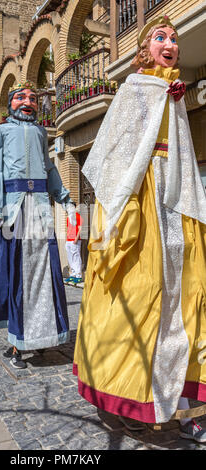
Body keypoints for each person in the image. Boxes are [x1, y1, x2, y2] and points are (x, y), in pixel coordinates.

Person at [73, 15, 206, 442]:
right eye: (161, 37)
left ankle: (178, 401)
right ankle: (133, 395)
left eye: (174, 39)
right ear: (144, 48)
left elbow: (182, 151)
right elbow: (115, 148)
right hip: (142, 195)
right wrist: (124, 202)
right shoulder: (134, 89)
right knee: (141, 290)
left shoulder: (176, 92)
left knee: (180, 296)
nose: (171, 44)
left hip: (174, 197)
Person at [0, 81, 76, 369]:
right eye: (21, 97)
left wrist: (66, 200)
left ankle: (42, 335)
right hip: (14, 210)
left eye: (33, 98)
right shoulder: (1, 132)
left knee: (45, 274)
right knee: (17, 276)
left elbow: (49, 168)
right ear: (10, 102)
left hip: (39, 210)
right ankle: (16, 344)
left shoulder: (38, 132)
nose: (28, 102)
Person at [65, 205, 83, 284]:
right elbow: (68, 228)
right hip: (68, 240)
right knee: (70, 258)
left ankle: (78, 275)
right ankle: (73, 274)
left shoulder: (78, 216)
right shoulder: (68, 218)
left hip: (75, 240)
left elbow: (80, 228)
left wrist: (76, 238)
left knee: (76, 257)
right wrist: (66, 238)